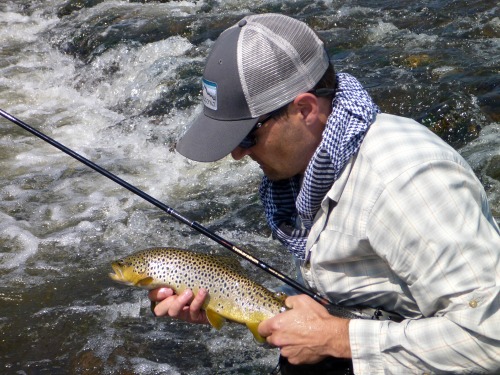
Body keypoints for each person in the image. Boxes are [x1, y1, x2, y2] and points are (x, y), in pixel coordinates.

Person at [148, 13, 500, 374]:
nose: (237, 153)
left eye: (246, 136)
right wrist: (228, 305)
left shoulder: (406, 181)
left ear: (305, 110)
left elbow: (491, 338)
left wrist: (335, 338)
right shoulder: (309, 169)